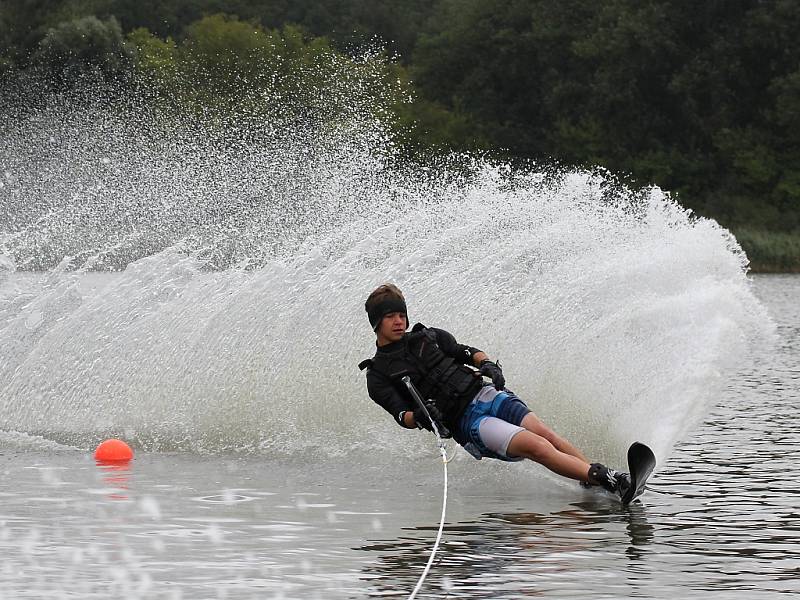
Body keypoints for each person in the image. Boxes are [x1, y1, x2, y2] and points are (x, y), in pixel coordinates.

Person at [359, 283, 630, 498]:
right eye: (390, 317)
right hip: (468, 422)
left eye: (401, 314)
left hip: (485, 394)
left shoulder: (428, 336)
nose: (398, 321)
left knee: (544, 433)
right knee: (536, 446)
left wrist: (487, 364)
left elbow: (468, 352)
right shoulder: (378, 375)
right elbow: (401, 414)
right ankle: (610, 478)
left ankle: (592, 481)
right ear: (376, 323)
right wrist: (418, 415)